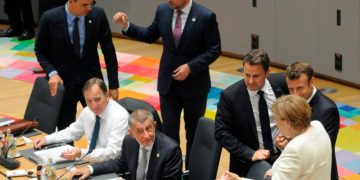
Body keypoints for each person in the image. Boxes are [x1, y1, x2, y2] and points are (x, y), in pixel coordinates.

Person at [113, 0, 221, 166]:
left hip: (195, 87)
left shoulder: (205, 16)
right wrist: (127, 25)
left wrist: (191, 67)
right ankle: (172, 171)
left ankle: (191, 173)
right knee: (169, 134)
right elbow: (150, 34)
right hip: (168, 85)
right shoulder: (163, 9)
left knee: (193, 134)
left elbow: (214, 49)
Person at [35, 0, 119, 131]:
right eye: (84, 5)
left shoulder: (98, 15)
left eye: (91, 3)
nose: (90, 8)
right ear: (71, 2)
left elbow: (109, 51)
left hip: (92, 82)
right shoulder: (50, 18)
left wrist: (113, 84)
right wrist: (52, 73)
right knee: (65, 129)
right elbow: (40, 50)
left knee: (102, 125)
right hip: (64, 83)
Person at [219, 95, 332, 180]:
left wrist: (239, 179)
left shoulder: (294, 149)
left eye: (277, 119)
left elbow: (297, 154)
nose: (275, 123)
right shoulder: (318, 126)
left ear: (287, 122)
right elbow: (304, 163)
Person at [214, 49, 289, 177]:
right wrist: (250, 153)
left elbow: (299, 111)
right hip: (249, 163)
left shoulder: (283, 83)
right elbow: (221, 132)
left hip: (283, 157)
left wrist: (289, 135)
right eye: (247, 75)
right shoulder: (230, 96)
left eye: (256, 76)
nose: (250, 81)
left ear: (267, 73)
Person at [69, 109, 183, 180]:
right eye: (139, 131)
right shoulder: (129, 142)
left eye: (149, 128)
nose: (146, 135)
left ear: (154, 125)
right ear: (131, 133)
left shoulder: (170, 150)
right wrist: (90, 168)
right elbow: (119, 164)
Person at [33, 78, 128, 162]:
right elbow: (71, 132)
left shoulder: (120, 117)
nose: (93, 105)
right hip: (90, 160)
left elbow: (112, 154)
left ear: (107, 96)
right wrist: (46, 139)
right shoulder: (88, 111)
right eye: (89, 101)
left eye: (97, 99)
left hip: (111, 166)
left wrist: (81, 153)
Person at [276, 61, 340, 180]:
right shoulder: (292, 100)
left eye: (300, 88)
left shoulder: (327, 109)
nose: (295, 94)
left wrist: (288, 145)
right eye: (291, 89)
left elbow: (319, 150)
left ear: (311, 82)